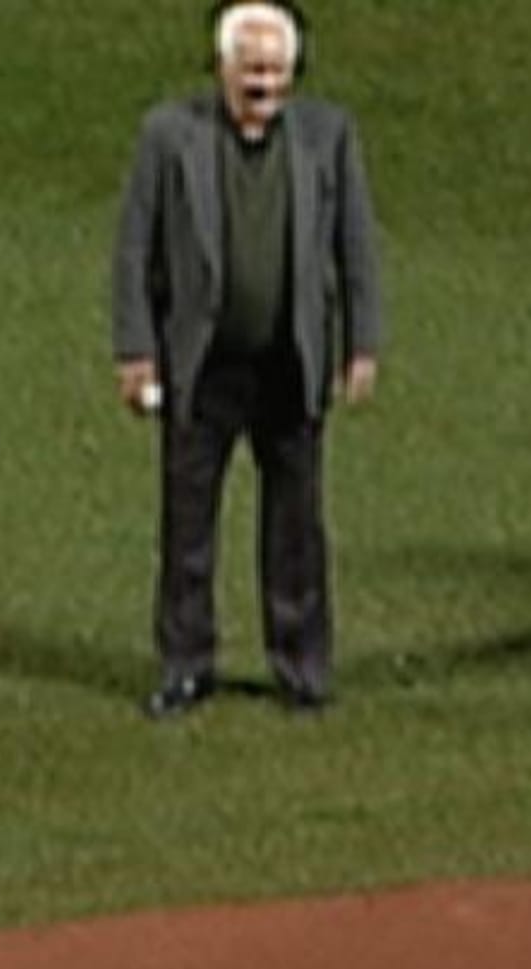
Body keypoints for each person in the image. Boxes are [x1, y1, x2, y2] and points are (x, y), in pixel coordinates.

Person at [111, 0, 384, 719]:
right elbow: (135, 248)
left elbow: (354, 247)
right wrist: (137, 350)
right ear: (223, 68)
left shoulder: (329, 138)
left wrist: (361, 343)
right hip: (200, 364)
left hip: (290, 363)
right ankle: (185, 664)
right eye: (251, 69)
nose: (263, 83)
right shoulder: (169, 136)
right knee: (187, 527)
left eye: (275, 70)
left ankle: (301, 665)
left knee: (297, 526)